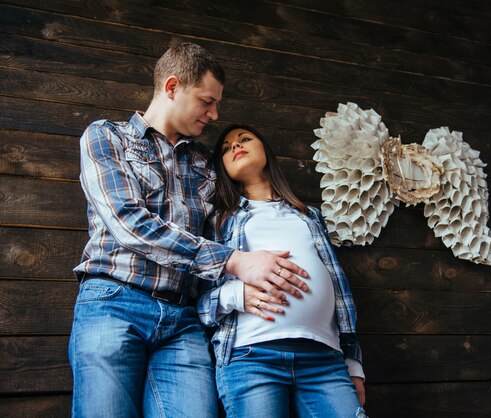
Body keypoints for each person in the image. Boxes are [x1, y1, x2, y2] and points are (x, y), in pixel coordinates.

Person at [68, 43, 309, 418]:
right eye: (207, 101)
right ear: (171, 87)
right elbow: (129, 222)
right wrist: (234, 262)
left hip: (183, 321)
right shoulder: (106, 137)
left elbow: (230, 228)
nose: (214, 115)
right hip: (114, 302)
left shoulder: (207, 166)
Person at [197, 124, 368, 418]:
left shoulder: (309, 215)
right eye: (226, 149)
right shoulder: (219, 221)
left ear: (265, 148)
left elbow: (339, 290)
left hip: (325, 359)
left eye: (245, 139)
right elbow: (198, 304)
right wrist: (237, 294)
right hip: (251, 356)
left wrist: (353, 362)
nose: (235, 146)